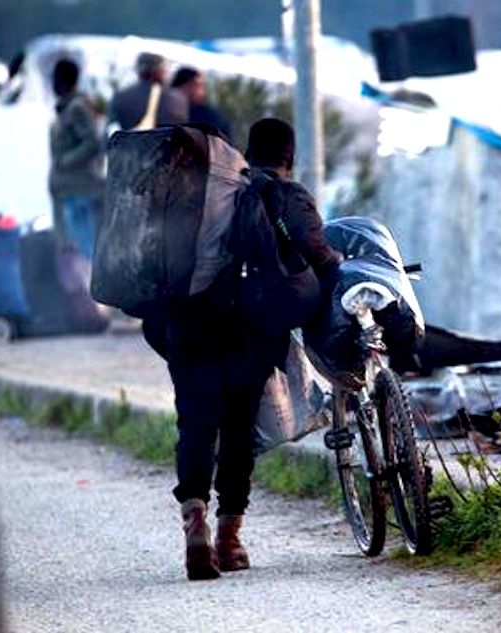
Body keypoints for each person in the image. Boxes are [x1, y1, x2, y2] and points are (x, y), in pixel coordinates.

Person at [143, 117, 340, 581]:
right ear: (289, 157)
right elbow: (320, 257)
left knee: (195, 424)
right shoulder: (284, 194)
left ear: (247, 151)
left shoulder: (207, 192)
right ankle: (229, 539)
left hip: (187, 323)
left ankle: (195, 524)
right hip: (248, 331)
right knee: (236, 428)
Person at [48, 58, 105, 259]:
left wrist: (65, 162)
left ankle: (95, 290)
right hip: (71, 191)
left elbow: (93, 142)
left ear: (62, 80)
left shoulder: (77, 108)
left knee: (85, 251)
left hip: (79, 190)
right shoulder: (67, 108)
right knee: (79, 250)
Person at [107, 52, 188, 132]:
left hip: (132, 144)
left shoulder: (121, 97)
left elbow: (111, 131)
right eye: (164, 69)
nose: (166, 72)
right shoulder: (177, 97)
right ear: (159, 70)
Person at [170, 66, 232, 141]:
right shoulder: (170, 106)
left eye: (202, 86)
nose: (201, 91)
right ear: (184, 86)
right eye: (197, 85)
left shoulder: (207, 114)